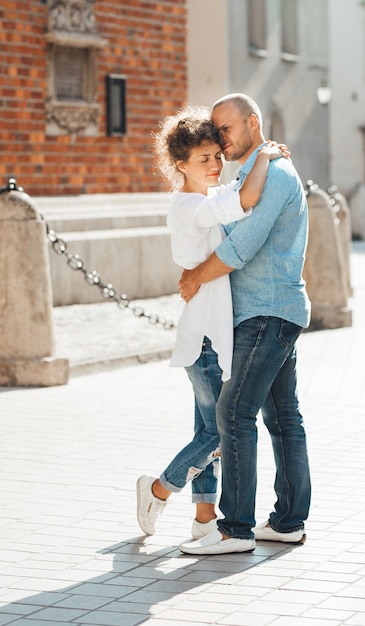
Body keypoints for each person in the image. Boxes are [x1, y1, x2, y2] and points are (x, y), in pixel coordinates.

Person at [136, 104, 288, 540]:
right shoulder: (191, 205)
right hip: (204, 338)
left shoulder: (201, 201)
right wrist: (264, 156)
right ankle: (160, 488)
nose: (216, 165)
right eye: (204, 159)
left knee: (209, 429)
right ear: (179, 165)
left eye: (217, 157)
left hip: (210, 335)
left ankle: (204, 520)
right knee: (221, 432)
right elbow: (247, 199)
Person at [178, 94, 311, 555]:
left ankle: (234, 529)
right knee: (283, 418)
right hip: (273, 311)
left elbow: (240, 248)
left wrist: (194, 276)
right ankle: (288, 522)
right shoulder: (254, 170)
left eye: (227, 128)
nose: (220, 138)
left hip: (265, 313)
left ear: (253, 122)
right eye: (215, 131)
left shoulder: (273, 173)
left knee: (233, 414)